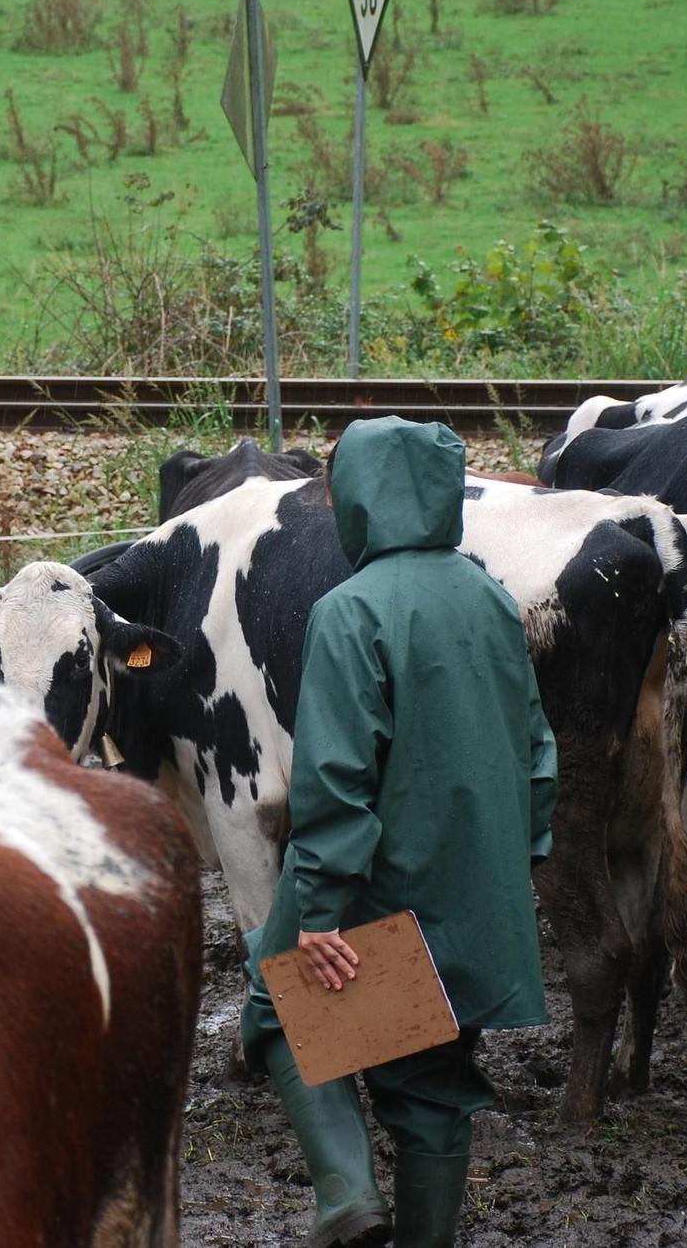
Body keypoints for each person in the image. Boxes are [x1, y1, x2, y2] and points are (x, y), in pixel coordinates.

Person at [241, 416, 558, 1248]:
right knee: (435, 1084)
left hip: (381, 883)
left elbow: (337, 778)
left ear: (360, 499)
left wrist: (319, 914)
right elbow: (538, 752)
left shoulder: (350, 611)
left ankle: (347, 1196)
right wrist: (513, 861)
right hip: (480, 894)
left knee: (277, 997)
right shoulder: (491, 597)